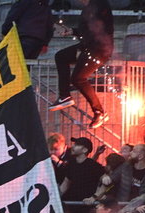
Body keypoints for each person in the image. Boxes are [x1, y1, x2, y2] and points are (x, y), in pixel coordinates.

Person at [49, 0, 114, 129]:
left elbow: (100, 30)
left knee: (78, 78)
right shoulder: (88, 8)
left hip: (98, 48)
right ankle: (65, 96)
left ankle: (99, 111)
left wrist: (82, 46)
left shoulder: (99, 5)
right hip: (88, 46)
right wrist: (72, 31)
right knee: (61, 56)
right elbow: (87, 30)